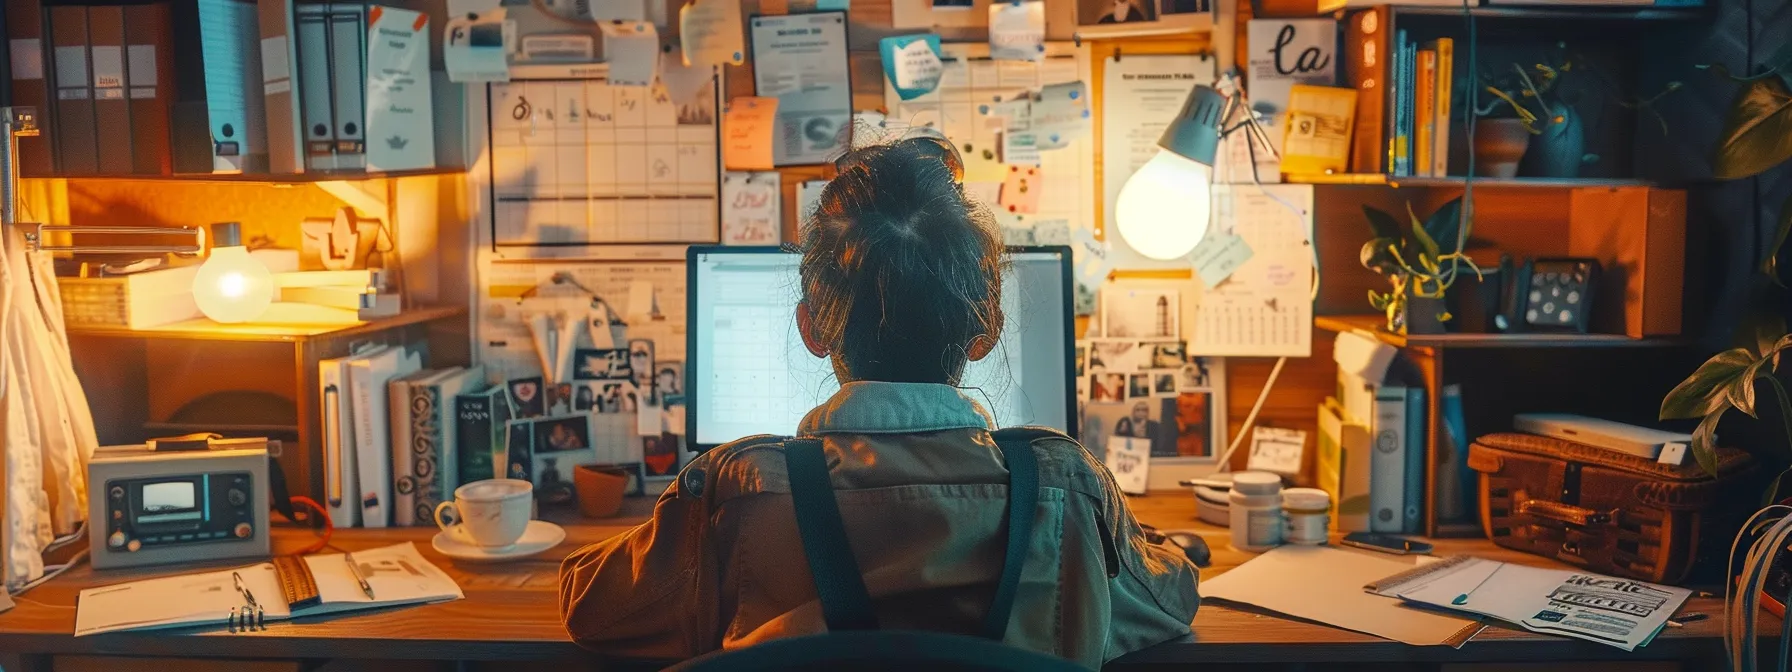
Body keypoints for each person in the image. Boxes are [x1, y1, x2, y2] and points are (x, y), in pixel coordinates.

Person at [559, 135, 1197, 667]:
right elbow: (1171, 601)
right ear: (988, 327)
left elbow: (589, 607)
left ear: (811, 328)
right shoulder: (1067, 491)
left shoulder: (736, 495)